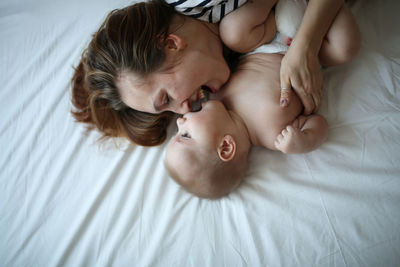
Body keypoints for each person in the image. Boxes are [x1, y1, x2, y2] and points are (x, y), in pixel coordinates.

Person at [71, 0, 360, 146]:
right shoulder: (221, 59)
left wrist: (305, 48)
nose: (185, 110)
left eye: (167, 98)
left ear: (171, 44)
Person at [164, 0, 361, 199]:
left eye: (177, 130)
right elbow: (318, 123)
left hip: (269, 33)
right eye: (185, 135)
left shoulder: (216, 96)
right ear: (226, 146)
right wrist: (304, 141)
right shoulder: (275, 137)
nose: (180, 121)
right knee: (345, 48)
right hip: (315, 51)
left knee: (234, 33)